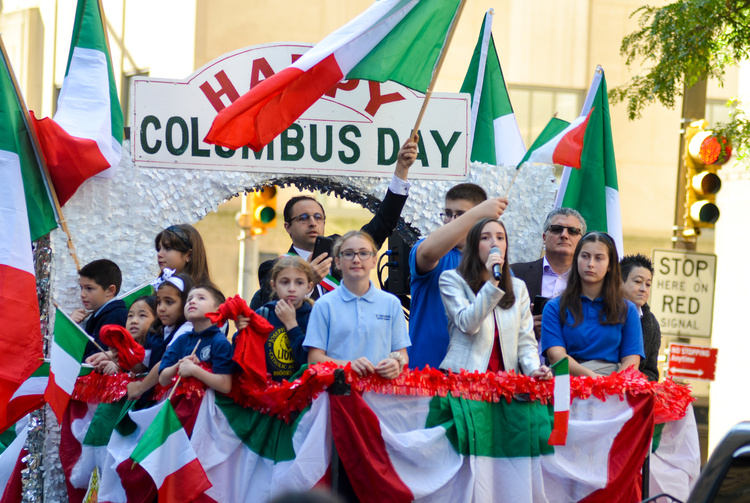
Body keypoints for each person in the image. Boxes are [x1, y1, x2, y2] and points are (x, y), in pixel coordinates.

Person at [251, 139, 418, 309]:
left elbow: (382, 224)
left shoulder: (340, 252)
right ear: (288, 227)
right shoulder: (273, 268)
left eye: (318, 217)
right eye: (303, 218)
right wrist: (308, 281)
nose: (312, 222)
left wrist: (401, 171)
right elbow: (272, 314)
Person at [408, 183, 508, 370]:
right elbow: (428, 253)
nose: (451, 221)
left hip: (474, 376)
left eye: (460, 215)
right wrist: (476, 213)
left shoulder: (496, 265)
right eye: (447, 213)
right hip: (425, 372)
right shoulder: (432, 250)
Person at [439, 218, 551, 378]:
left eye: (500, 237)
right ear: (473, 246)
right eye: (485, 237)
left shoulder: (517, 287)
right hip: (465, 379)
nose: (494, 244)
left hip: (506, 382)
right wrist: (492, 283)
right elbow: (468, 325)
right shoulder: (452, 279)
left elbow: (525, 339)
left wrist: (533, 369)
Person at [304, 231, 410, 379]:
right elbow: (314, 358)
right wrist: (348, 366)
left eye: (364, 253)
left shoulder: (391, 303)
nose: (356, 259)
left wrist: (396, 363)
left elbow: (402, 354)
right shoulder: (324, 305)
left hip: (382, 396)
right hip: (340, 396)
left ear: (374, 261)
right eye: (348, 254)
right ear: (337, 262)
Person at [541, 232, 644, 377]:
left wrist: (611, 385)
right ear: (576, 259)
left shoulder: (628, 309)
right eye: (585, 256)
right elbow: (555, 355)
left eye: (599, 258)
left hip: (612, 390)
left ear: (610, 265)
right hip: (567, 385)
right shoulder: (554, 307)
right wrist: (590, 377)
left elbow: (632, 360)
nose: (591, 264)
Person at [511, 208, 586, 343]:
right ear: (544, 238)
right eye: (557, 229)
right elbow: (493, 324)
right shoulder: (515, 274)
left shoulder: (590, 282)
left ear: (582, 242)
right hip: (521, 360)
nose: (564, 235)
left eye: (573, 231)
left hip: (572, 361)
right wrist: (522, 329)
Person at [237, 256, 316, 381]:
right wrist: (240, 332)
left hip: (304, 395)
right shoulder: (264, 314)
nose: (292, 288)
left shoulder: (314, 317)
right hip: (267, 395)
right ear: (273, 285)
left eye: (299, 282)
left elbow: (310, 364)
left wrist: (292, 325)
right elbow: (240, 360)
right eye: (284, 282)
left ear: (309, 286)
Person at [127, 272, 194, 400]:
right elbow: (141, 365)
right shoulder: (159, 330)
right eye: (158, 302)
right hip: (157, 395)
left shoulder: (187, 329)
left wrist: (139, 388)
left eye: (169, 302)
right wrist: (121, 351)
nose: (161, 308)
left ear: (186, 302)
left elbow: (165, 362)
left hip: (176, 398)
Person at [160, 284, 235, 394]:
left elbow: (225, 385)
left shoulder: (219, 342)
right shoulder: (181, 340)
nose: (192, 301)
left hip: (207, 407)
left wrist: (194, 370)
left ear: (218, 310)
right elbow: (162, 379)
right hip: (178, 405)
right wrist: (180, 365)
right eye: (189, 299)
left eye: (201, 298)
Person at [71, 259, 128, 359]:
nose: (82, 295)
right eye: (81, 288)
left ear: (110, 290)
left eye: (89, 288)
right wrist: (71, 325)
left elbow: (95, 360)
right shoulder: (98, 314)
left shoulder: (114, 317)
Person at [90, 295, 156, 375]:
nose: (133, 321)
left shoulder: (156, 346)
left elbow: (139, 366)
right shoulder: (130, 349)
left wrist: (119, 366)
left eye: (142, 315)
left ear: (157, 319)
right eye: (130, 316)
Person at [620, 254, 661, 381]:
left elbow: (652, 372)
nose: (644, 289)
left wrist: (635, 384)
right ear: (619, 282)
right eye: (637, 281)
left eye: (648, 284)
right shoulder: (601, 310)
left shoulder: (652, 323)